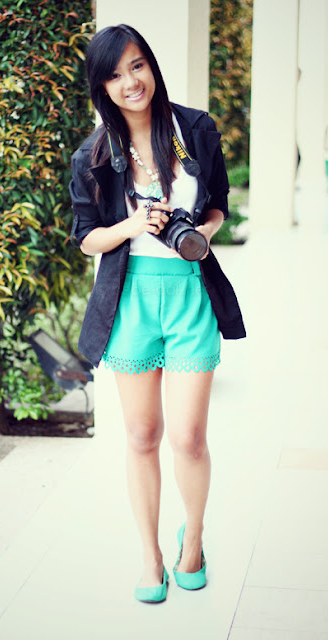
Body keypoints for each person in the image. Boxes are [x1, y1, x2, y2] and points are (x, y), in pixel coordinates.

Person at [69, 24, 245, 603]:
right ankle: (150, 557)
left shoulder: (195, 130)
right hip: (131, 299)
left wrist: (201, 233)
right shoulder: (94, 155)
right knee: (143, 434)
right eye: (115, 74)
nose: (130, 82)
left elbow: (218, 206)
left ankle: (193, 540)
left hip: (190, 293)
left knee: (189, 438)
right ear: (101, 87)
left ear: (152, 66)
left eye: (137, 65)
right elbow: (86, 238)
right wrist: (132, 225)